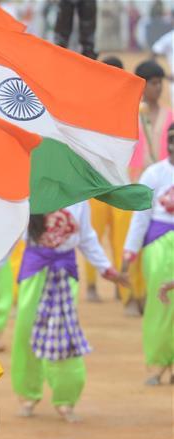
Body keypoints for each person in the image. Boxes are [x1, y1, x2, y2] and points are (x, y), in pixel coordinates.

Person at [12, 202, 128, 422]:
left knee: (63, 335)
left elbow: (86, 237)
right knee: (25, 331)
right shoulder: (27, 195)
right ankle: (28, 394)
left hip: (64, 272)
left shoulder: (79, 198)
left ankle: (65, 399)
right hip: (34, 270)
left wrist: (106, 268)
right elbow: (8, 235)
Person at [120, 60, 173, 316]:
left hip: (163, 186)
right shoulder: (127, 114)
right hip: (133, 183)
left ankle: (152, 292)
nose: (159, 88)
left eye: (160, 82)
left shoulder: (170, 115)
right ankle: (132, 294)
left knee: (154, 240)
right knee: (133, 237)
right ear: (141, 84)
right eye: (153, 83)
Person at [123, 124, 174, 385]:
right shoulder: (153, 174)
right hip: (159, 245)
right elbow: (140, 216)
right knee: (159, 304)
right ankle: (156, 365)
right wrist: (130, 251)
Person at [83, 56, 125, 303]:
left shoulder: (132, 108)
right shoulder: (87, 107)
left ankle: (124, 288)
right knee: (93, 235)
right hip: (95, 184)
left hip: (120, 182)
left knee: (121, 238)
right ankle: (91, 285)